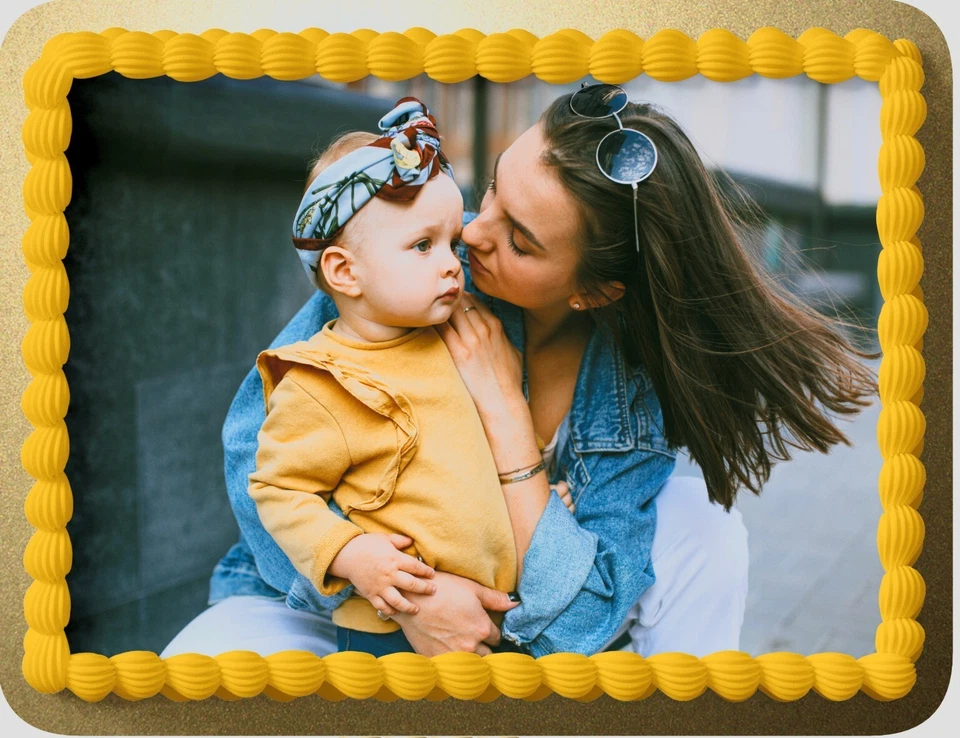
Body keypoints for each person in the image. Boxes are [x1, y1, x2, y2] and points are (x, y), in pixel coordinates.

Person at [162, 84, 875, 661]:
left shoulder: (624, 394)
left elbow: (580, 623)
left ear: (593, 291)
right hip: (340, 595)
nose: (473, 233)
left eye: (520, 240)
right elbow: (256, 456)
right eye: (495, 187)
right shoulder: (408, 262)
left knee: (707, 530)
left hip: (517, 628)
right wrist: (406, 600)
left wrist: (504, 413)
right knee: (195, 672)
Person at [248, 97, 553, 657]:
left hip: (495, 617)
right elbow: (277, 489)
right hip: (393, 634)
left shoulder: (458, 336)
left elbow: (484, 440)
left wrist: (544, 490)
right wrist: (350, 554)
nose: (450, 264)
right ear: (345, 271)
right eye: (422, 245)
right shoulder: (324, 382)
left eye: (451, 243)